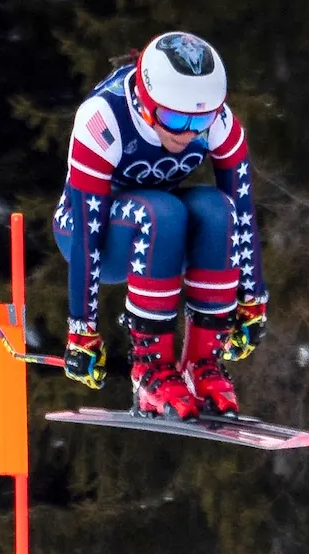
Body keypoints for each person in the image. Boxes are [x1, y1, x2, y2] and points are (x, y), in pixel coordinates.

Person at [52, 31, 268, 419]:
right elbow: (86, 230)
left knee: (219, 210)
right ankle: (150, 369)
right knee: (162, 212)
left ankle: (203, 365)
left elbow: (243, 208)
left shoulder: (219, 122)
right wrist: (81, 329)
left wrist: (253, 301)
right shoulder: (104, 118)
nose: (186, 133)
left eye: (199, 122)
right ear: (146, 101)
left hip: (161, 233)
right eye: (173, 118)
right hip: (93, 236)